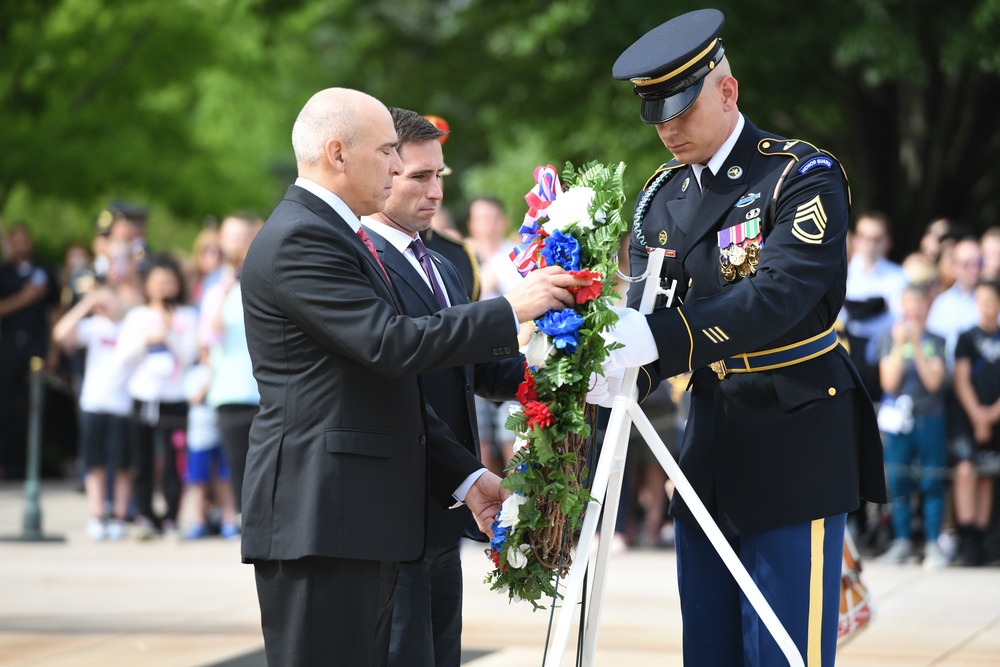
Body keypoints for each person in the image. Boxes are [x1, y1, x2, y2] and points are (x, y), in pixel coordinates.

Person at [239, 87, 586, 667]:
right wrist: (511, 307)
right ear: (337, 153)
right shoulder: (304, 236)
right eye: (387, 153)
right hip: (323, 516)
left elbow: (398, 377)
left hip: (357, 518)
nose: (398, 168)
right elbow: (389, 344)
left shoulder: (336, 234)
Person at [592, 10, 887, 665]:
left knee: (784, 652)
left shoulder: (797, 175)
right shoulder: (659, 199)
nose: (667, 128)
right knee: (710, 648)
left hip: (794, 437)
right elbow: (644, 318)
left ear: (727, 92)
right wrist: (597, 379)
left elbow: (776, 297)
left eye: (681, 109)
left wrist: (654, 339)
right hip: (707, 448)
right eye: (656, 113)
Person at [361, 107, 526, 667]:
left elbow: (479, 368)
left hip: (444, 512)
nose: (435, 192)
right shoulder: (362, 261)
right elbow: (396, 386)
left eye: (440, 176)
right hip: (394, 509)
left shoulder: (444, 265)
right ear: (382, 173)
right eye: (419, 177)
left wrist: (565, 373)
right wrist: (468, 473)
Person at [52, 256, 137, 541]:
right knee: (95, 463)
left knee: (122, 465)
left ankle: (119, 516)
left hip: (122, 405)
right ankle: (98, 514)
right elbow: (61, 333)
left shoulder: (129, 326)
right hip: (94, 402)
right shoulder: (94, 327)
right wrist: (87, 304)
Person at [116, 254, 200, 539]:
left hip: (174, 397)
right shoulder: (137, 317)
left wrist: (169, 334)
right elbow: (122, 356)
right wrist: (146, 339)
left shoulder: (187, 316)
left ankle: (172, 516)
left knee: (174, 459)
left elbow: (190, 357)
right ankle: (145, 514)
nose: (164, 288)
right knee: (143, 458)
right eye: (158, 282)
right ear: (147, 285)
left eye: (169, 282)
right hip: (144, 394)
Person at [874, 284, 949, 568]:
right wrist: (898, 346)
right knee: (898, 481)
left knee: (932, 480)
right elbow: (888, 383)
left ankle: (933, 543)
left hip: (929, 418)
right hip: (897, 422)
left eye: (919, 304)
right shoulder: (888, 339)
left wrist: (916, 345)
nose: (914, 310)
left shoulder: (937, 340)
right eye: (909, 304)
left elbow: (934, 382)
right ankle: (902, 541)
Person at [198, 213, 261, 524]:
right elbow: (208, 336)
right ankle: (241, 517)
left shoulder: (262, 281)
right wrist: (224, 290)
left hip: (263, 386)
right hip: (231, 387)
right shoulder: (215, 288)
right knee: (237, 459)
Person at [0, 223, 61, 478]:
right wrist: (25, 298)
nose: (21, 245)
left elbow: (56, 311)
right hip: (9, 345)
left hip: (37, 345)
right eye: (16, 240)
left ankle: (34, 463)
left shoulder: (45, 270)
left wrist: (54, 349)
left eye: (25, 239)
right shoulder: (3, 273)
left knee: (36, 405)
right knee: (6, 406)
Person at [951, 279, 1000, 566]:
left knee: (986, 474)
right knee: (967, 470)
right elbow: (961, 379)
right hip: (967, 418)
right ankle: (967, 536)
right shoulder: (967, 337)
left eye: (992, 300)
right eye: (981, 301)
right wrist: (978, 415)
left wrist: (992, 415)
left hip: (994, 418)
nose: (987, 307)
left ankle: (984, 540)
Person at [841, 211, 907, 401]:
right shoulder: (842, 273)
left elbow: (897, 318)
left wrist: (858, 309)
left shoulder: (899, 277)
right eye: (864, 237)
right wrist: (877, 307)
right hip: (847, 349)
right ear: (855, 239)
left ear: (886, 242)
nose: (870, 244)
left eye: (876, 238)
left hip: (883, 353)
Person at [181, 356, 239, 540]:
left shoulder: (224, 370)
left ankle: (228, 520)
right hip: (200, 437)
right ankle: (197, 521)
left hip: (221, 431)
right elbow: (194, 399)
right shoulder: (194, 373)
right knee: (198, 481)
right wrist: (211, 380)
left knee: (224, 479)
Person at [926, 236, 981, 364]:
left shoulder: (995, 299)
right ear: (954, 267)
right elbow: (933, 345)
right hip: (950, 376)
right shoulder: (942, 304)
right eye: (967, 264)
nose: (975, 269)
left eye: (979, 262)